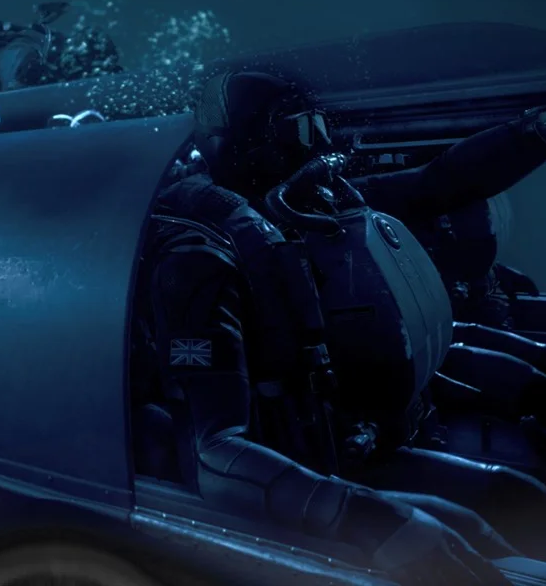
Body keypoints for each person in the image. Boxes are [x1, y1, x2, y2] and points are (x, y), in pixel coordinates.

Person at [131, 150, 515, 585]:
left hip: (319, 456)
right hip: (261, 491)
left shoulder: (273, 222)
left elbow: (436, 181)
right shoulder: (192, 258)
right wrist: (361, 515)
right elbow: (211, 454)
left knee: (489, 514)